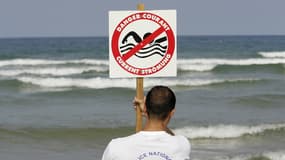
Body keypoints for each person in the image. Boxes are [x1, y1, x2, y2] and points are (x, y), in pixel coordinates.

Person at [101, 85, 191, 160]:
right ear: (172, 113)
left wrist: (146, 112)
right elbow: (170, 136)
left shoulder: (116, 147)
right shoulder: (182, 144)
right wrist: (146, 112)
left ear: (146, 108)